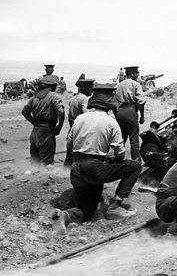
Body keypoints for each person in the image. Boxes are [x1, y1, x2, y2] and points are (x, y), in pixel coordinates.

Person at [51, 83, 142, 234]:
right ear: (110, 104)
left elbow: (69, 143)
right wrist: (112, 160)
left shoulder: (80, 118)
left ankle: (64, 215)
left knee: (89, 209)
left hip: (76, 168)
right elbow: (120, 154)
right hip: (94, 169)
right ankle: (114, 207)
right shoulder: (111, 122)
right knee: (135, 167)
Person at [22, 75, 65, 166]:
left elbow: (25, 112)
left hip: (35, 131)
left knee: (35, 161)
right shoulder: (54, 97)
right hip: (47, 131)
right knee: (46, 163)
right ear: (53, 86)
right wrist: (59, 126)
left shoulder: (35, 97)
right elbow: (61, 110)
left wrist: (34, 122)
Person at [114, 66, 145, 160]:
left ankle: (118, 160)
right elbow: (140, 102)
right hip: (131, 111)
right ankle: (136, 162)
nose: (138, 74)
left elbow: (113, 103)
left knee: (121, 138)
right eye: (136, 73)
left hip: (120, 111)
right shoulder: (136, 84)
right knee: (134, 139)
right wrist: (142, 116)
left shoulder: (118, 86)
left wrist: (117, 115)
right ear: (131, 74)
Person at [64, 78, 95, 168]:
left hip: (73, 128)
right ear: (85, 88)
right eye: (90, 87)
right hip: (81, 131)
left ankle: (64, 173)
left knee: (69, 156)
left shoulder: (74, 98)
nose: (92, 90)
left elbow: (70, 116)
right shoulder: (84, 99)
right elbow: (86, 115)